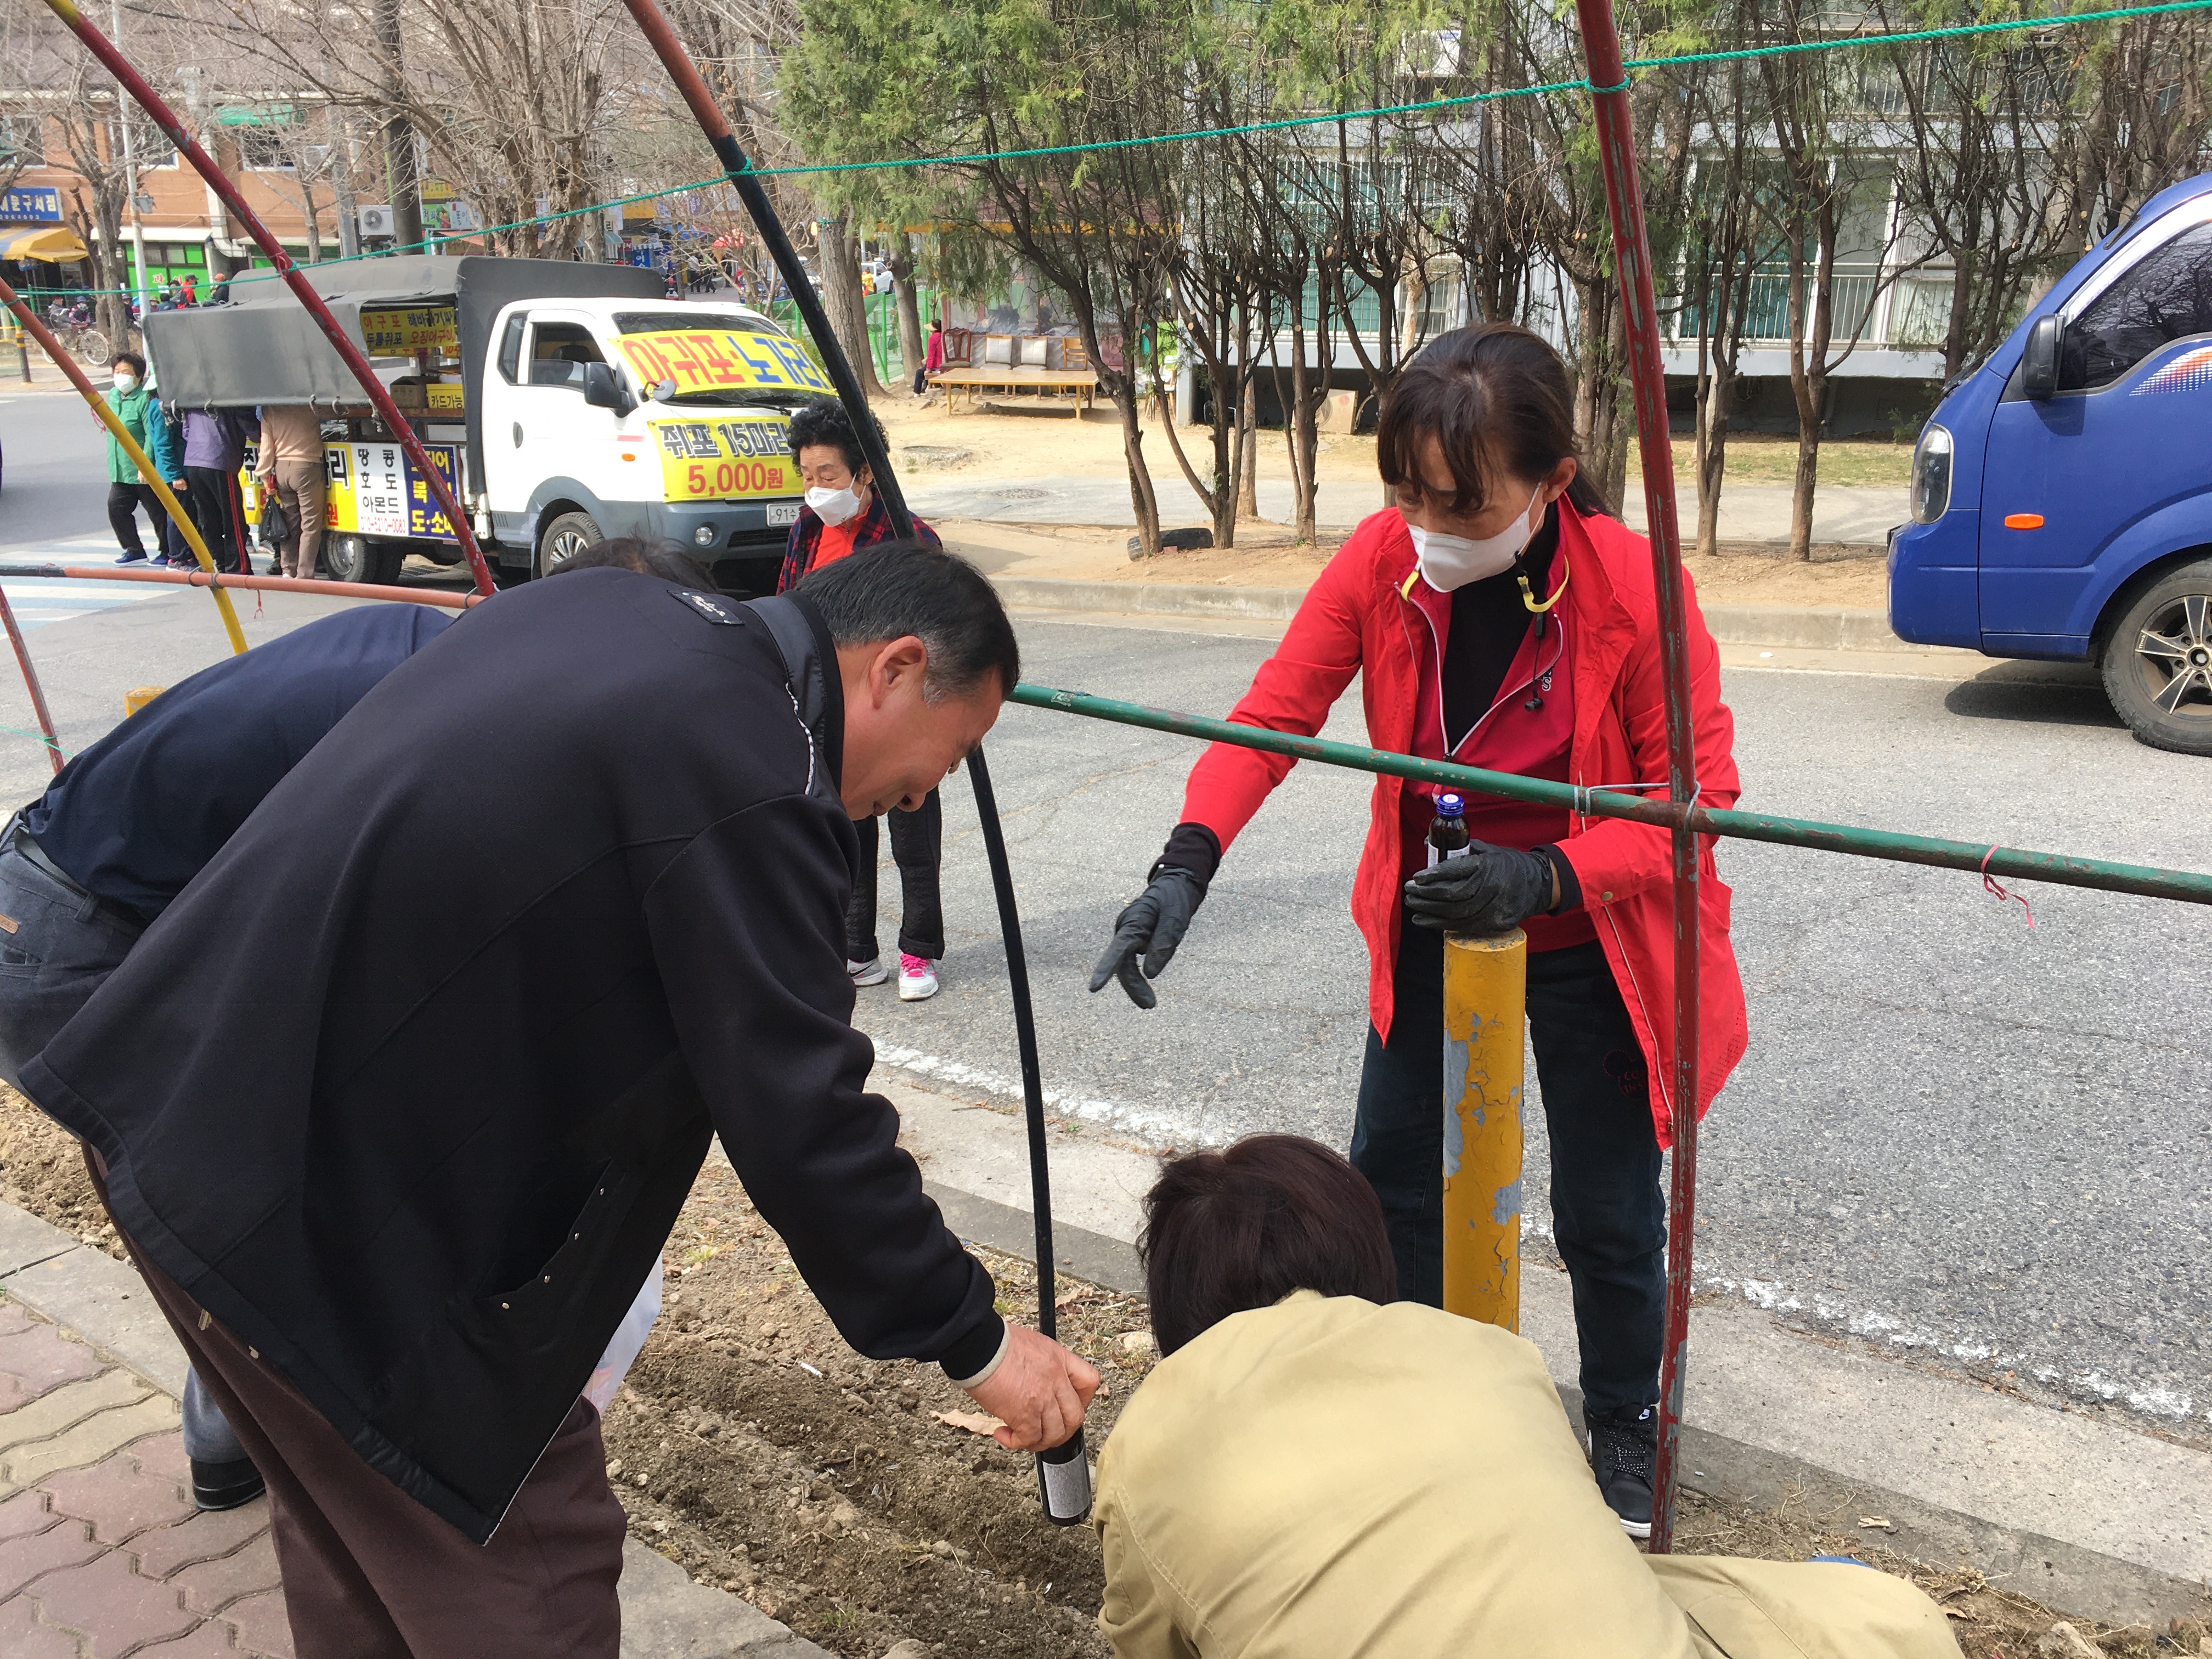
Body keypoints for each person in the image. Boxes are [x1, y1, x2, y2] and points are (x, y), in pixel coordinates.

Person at [18, 544, 1097, 1659]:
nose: (919, 796)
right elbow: (804, 1115)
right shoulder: (753, 761)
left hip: (200, 1121)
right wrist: (978, 1340)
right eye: (947, 755)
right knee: (529, 1567)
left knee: (356, 1548)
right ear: (895, 668)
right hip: (323, 1215)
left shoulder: (611, 613)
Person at [1090, 321, 1747, 1537]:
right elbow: (1273, 715)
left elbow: (1692, 807)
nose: (1430, 525)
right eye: (1406, 493)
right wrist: (1184, 863)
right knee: (1390, 1184)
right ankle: (1425, 1397)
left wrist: (1545, 876)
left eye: (1462, 501)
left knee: (1607, 1210)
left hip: (1591, 940)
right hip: (1434, 921)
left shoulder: (1632, 586)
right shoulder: (1382, 559)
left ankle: (1623, 1422)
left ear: (1553, 480)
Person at [0, 539, 706, 1513]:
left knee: (251, 1207)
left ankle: (256, 1452)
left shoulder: (433, 657)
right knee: (261, 1209)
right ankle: (323, 1481)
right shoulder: (446, 719)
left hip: (73, 906)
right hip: (79, 937)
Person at [1094, 1135, 1965, 1659]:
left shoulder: (1146, 1447)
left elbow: (1149, 1643)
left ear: (1179, 1303)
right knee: (1872, 1610)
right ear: (1360, 1252)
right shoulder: (1483, 1354)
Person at [780, 399, 950, 1002]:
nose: (816, 489)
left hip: (903, 714)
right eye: (807, 475)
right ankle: (857, 950)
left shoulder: (908, 536)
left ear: (864, 471)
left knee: (913, 836)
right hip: (834, 712)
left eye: (827, 474)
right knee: (846, 833)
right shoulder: (806, 531)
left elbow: (943, 630)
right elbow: (788, 608)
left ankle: (918, 950)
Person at [103, 352, 181, 568]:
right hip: (121, 469)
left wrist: (145, 465)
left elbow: (150, 435)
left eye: (126, 372)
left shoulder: (144, 399)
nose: (120, 376)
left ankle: (167, 551)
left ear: (138, 377)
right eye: (117, 372)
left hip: (143, 470)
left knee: (158, 512)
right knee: (116, 508)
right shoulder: (113, 395)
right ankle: (134, 550)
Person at [174, 406, 256, 573]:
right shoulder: (231, 398)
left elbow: (186, 431)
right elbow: (252, 430)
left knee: (207, 519)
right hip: (219, 458)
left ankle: (215, 564)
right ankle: (237, 568)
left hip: (194, 459)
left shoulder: (193, 398)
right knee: (233, 519)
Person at [254, 403, 327, 579]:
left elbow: (266, 446)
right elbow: (336, 413)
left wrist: (264, 474)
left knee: (289, 522)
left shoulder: (269, 409)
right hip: (306, 466)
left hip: (281, 469)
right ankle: (304, 573)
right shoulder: (309, 404)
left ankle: (288, 570)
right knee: (310, 524)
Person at [916, 318, 945, 396]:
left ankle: (917, 392)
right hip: (945, 363)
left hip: (937, 365)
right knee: (924, 368)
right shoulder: (944, 336)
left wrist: (929, 369)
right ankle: (924, 389)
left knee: (920, 373)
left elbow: (931, 355)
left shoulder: (932, 339)